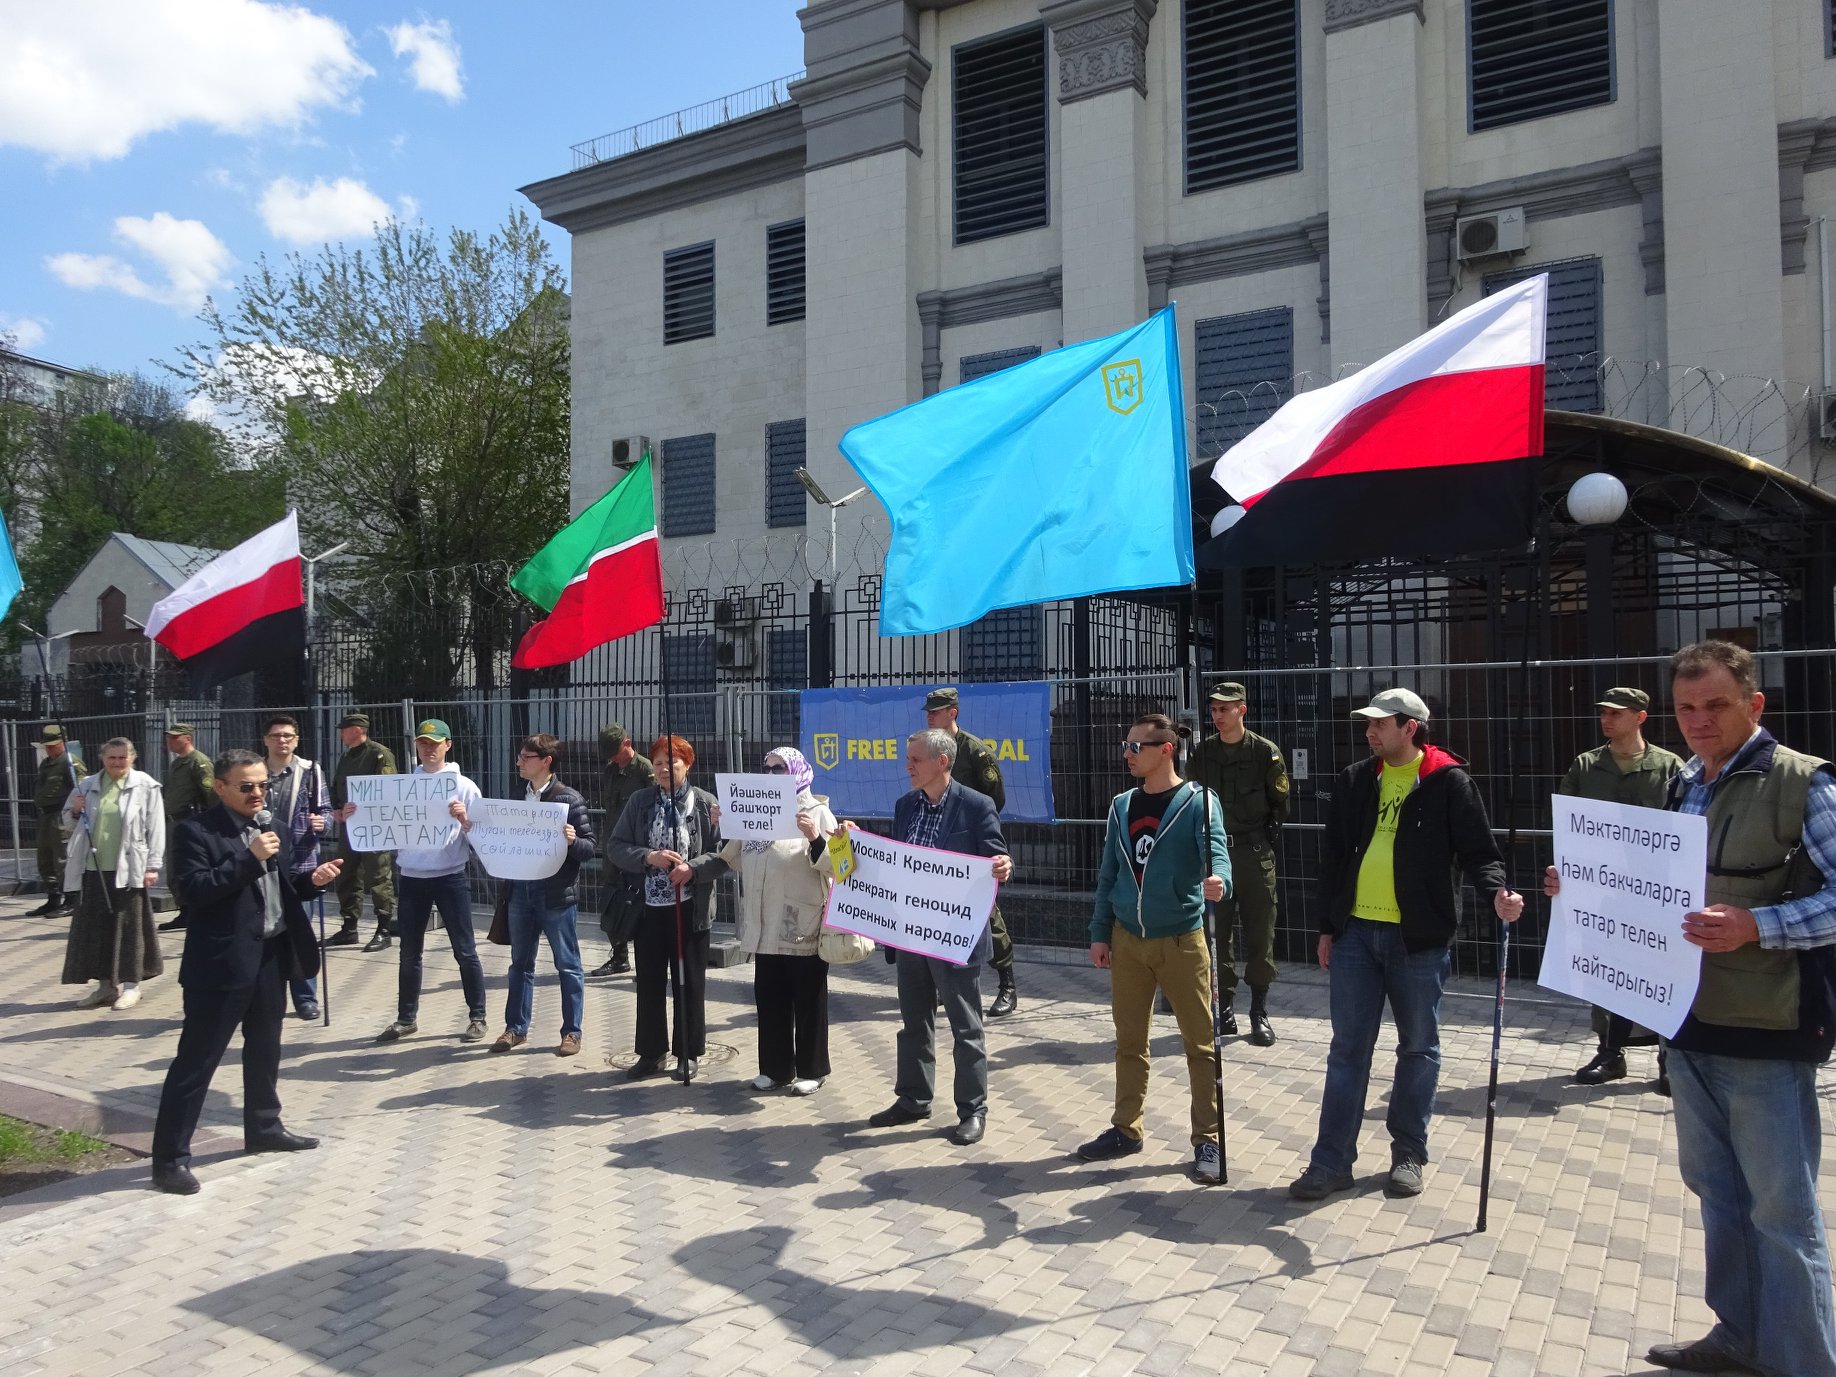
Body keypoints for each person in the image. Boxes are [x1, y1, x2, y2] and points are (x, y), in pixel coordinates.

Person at [1547, 642, 1836, 1377]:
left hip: (1766, 1027)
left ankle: (1802, 1359)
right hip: (1688, 1022)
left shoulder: (1805, 784)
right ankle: (1739, 1334)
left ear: (1754, 704)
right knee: (1717, 1191)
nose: (1700, 721)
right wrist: (1577, 884)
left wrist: (1757, 926)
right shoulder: (1684, 784)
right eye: (1687, 707)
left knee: (1782, 1211)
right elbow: (1650, 887)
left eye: (1716, 705)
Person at [1288, 688, 1524, 1202]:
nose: (1369, 732)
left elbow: (1481, 853)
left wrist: (1499, 894)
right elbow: (1333, 859)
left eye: (1380, 724)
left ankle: (1409, 1153)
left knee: (1418, 1047)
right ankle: (1330, 1163)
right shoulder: (1355, 780)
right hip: (1355, 934)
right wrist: (1327, 926)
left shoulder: (1448, 781)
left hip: (1417, 941)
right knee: (1348, 1050)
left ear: (1410, 727)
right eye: (1367, 724)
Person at [149, 749, 342, 1195]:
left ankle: (264, 1128)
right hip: (220, 966)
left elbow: (276, 889)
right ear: (220, 787)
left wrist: (311, 881)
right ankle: (170, 1159)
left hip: (270, 958)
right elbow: (195, 892)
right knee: (196, 1063)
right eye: (247, 786)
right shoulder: (195, 831)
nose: (258, 793)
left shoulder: (272, 828)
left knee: (265, 1051)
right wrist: (248, 858)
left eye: (263, 785)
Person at [1079, 714, 1231, 1182]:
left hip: (1181, 941)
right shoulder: (1121, 804)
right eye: (1126, 746)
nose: (1127, 754)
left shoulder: (1199, 801)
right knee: (1129, 1041)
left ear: (1166, 749)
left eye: (1135, 747)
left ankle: (1208, 1141)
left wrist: (1219, 881)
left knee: (1201, 1045)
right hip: (1128, 940)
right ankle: (1126, 1128)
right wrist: (1100, 932)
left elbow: (1219, 853)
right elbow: (1109, 874)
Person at [863, 728, 1014, 1146]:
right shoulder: (905, 806)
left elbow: (995, 856)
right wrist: (852, 846)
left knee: (966, 1027)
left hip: (955, 936)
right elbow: (895, 863)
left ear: (942, 762)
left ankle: (972, 1110)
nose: (907, 766)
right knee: (914, 1022)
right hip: (911, 934)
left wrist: (1002, 865)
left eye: (915, 759)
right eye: (908, 758)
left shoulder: (976, 805)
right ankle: (913, 1098)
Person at [1558, 687, 1684, 1091]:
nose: (1607, 719)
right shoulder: (1587, 765)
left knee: (1660, 972)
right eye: (1603, 712)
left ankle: (1669, 1059)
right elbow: (1567, 823)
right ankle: (1610, 1054)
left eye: (1616, 713)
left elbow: (1686, 826)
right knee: (1607, 971)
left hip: (1655, 891)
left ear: (1640, 717)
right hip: (1602, 890)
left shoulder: (1669, 766)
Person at [606, 735, 728, 1081]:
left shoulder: (706, 804)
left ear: (686, 765)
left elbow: (725, 855)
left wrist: (693, 869)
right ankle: (650, 1052)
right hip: (648, 908)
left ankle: (688, 1053)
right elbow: (615, 846)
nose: (662, 769)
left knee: (689, 983)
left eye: (670, 763)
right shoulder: (640, 801)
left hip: (691, 908)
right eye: (657, 763)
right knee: (649, 981)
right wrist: (648, 856)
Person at [721, 746, 836, 1095]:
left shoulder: (817, 812)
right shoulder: (759, 810)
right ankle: (775, 1069)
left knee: (808, 1000)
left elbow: (840, 866)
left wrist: (814, 838)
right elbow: (737, 860)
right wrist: (726, 823)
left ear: (797, 772)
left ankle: (812, 1070)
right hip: (764, 923)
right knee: (769, 998)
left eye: (779, 768)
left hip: (802, 923)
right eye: (767, 768)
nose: (772, 775)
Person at [369, 719, 486, 1045]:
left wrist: (465, 819)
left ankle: (477, 1015)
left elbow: (483, 834)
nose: (429, 748)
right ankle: (407, 1019)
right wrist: (356, 813)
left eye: (435, 743)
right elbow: (380, 820)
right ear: (416, 746)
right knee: (409, 953)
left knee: (465, 950)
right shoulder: (403, 785)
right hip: (411, 878)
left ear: (448, 745)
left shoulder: (464, 786)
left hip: (450, 877)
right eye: (423, 743)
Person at [1187, 680, 1291, 1046]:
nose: (1218, 716)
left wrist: (1261, 841)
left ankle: (1259, 1011)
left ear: (1242, 710)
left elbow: (1280, 805)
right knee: (1216, 933)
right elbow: (1193, 802)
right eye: (1214, 709)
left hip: (1253, 853)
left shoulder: (1265, 753)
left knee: (1261, 933)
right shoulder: (1202, 754)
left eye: (1225, 709)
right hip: (1216, 854)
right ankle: (1224, 1008)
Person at [488, 734, 595, 1056]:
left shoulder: (568, 800)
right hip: (521, 892)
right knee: (519, 963)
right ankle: (515, 1029)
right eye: (519, 756)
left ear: (546, 761)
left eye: (525, 757)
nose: (518, 762)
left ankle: (571, 1032)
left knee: (568, 965)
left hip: (555, 895)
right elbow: (497, 837)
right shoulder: (515, 799)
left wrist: (573, 840)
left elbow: (590, 849)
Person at [923, 687, 1020, 1017]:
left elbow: (995, 798)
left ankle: (1007, 983)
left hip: (972, 846)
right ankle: (942, 984)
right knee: (938, 912)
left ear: (953, 713)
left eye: (935, 712)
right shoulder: (929, 750)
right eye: (928, 712)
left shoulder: (975, 752)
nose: (929, 716)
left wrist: (976, 824)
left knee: (985, 914)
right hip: (940, 844)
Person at [61, 738, 165, 1011]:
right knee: (98, 930)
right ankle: (105, 986)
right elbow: (67, 823)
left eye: (122, 757)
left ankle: (132, 986)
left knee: (130, 928)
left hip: (129, 869)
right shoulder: (87, 785)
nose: (117, 763)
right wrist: (74, 810)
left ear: (132, 758)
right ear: (102, 759)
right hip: (93, 868)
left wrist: (152, 866)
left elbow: (156, 827)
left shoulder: (146, 785)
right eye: (112, 758)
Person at [261, 714, 330, 1021]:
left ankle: (306, 997)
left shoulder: (310, 771)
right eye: (276, 736)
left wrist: (322, 822)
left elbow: (327, 812)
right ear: (266, 740)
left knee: (301, 932)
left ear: (297, 740)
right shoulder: (254, 771)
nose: (282, 741)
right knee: (264, 932)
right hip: (261, 864)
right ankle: (264, 994)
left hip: (301, 864)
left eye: (288, 736)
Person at [327, 711, 397, 951]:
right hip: (350, 826)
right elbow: (337, 786)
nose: (340, 735)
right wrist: (337, 810)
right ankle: (349, 927)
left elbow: (387, 788)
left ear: (357, 729)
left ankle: (384, 929)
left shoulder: (379, 754)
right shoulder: (347, 757)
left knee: (378, 875)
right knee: (345, 872)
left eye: (344, 730)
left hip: (374, 825)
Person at [591, 722, 654, 978]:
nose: (614, 759)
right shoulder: (611, 770)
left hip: (639, 850)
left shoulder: (645, 770)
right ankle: (619, 958)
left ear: (627, 744)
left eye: (616, 753)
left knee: (642, 906)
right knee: (612, 901)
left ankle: (647, 962)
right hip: (613, 847)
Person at [156, 724, 215, 932]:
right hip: (173, 821)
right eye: (169, 737)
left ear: (187, 739)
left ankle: (194, 911)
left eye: (174, 737)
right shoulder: (177, 763)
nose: (169, 741)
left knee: (186, 867)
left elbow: (210, 796)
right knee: (173, 868)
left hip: (188, 821)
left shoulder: (199, 763)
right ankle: (184, 910)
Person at [31, 725, 86, 917]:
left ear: (63, 742)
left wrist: (74, 813)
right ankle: (53, 899)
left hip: (61, 816)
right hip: (45, 816)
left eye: (53, 745)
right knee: (45, 858)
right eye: (47, 745)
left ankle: (71, 900)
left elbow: (80, 789)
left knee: (63, 858)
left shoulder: (70, 762)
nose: (49, 748)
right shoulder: (46, 763)